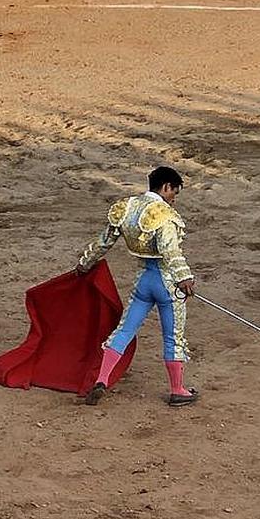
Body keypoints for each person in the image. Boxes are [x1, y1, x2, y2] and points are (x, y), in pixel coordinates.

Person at [78, 166, 198, 408]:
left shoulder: (126, 208)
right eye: (174, 192)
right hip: (167, 284)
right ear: (166, 187)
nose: (174, 198)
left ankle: (101, 379)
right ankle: (178, 390)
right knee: (173, 338)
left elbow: (103, 243)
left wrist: (84, 263)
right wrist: (185, 277)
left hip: (143, 281)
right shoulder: (164, 214)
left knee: (123, 330)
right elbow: (170, 251)